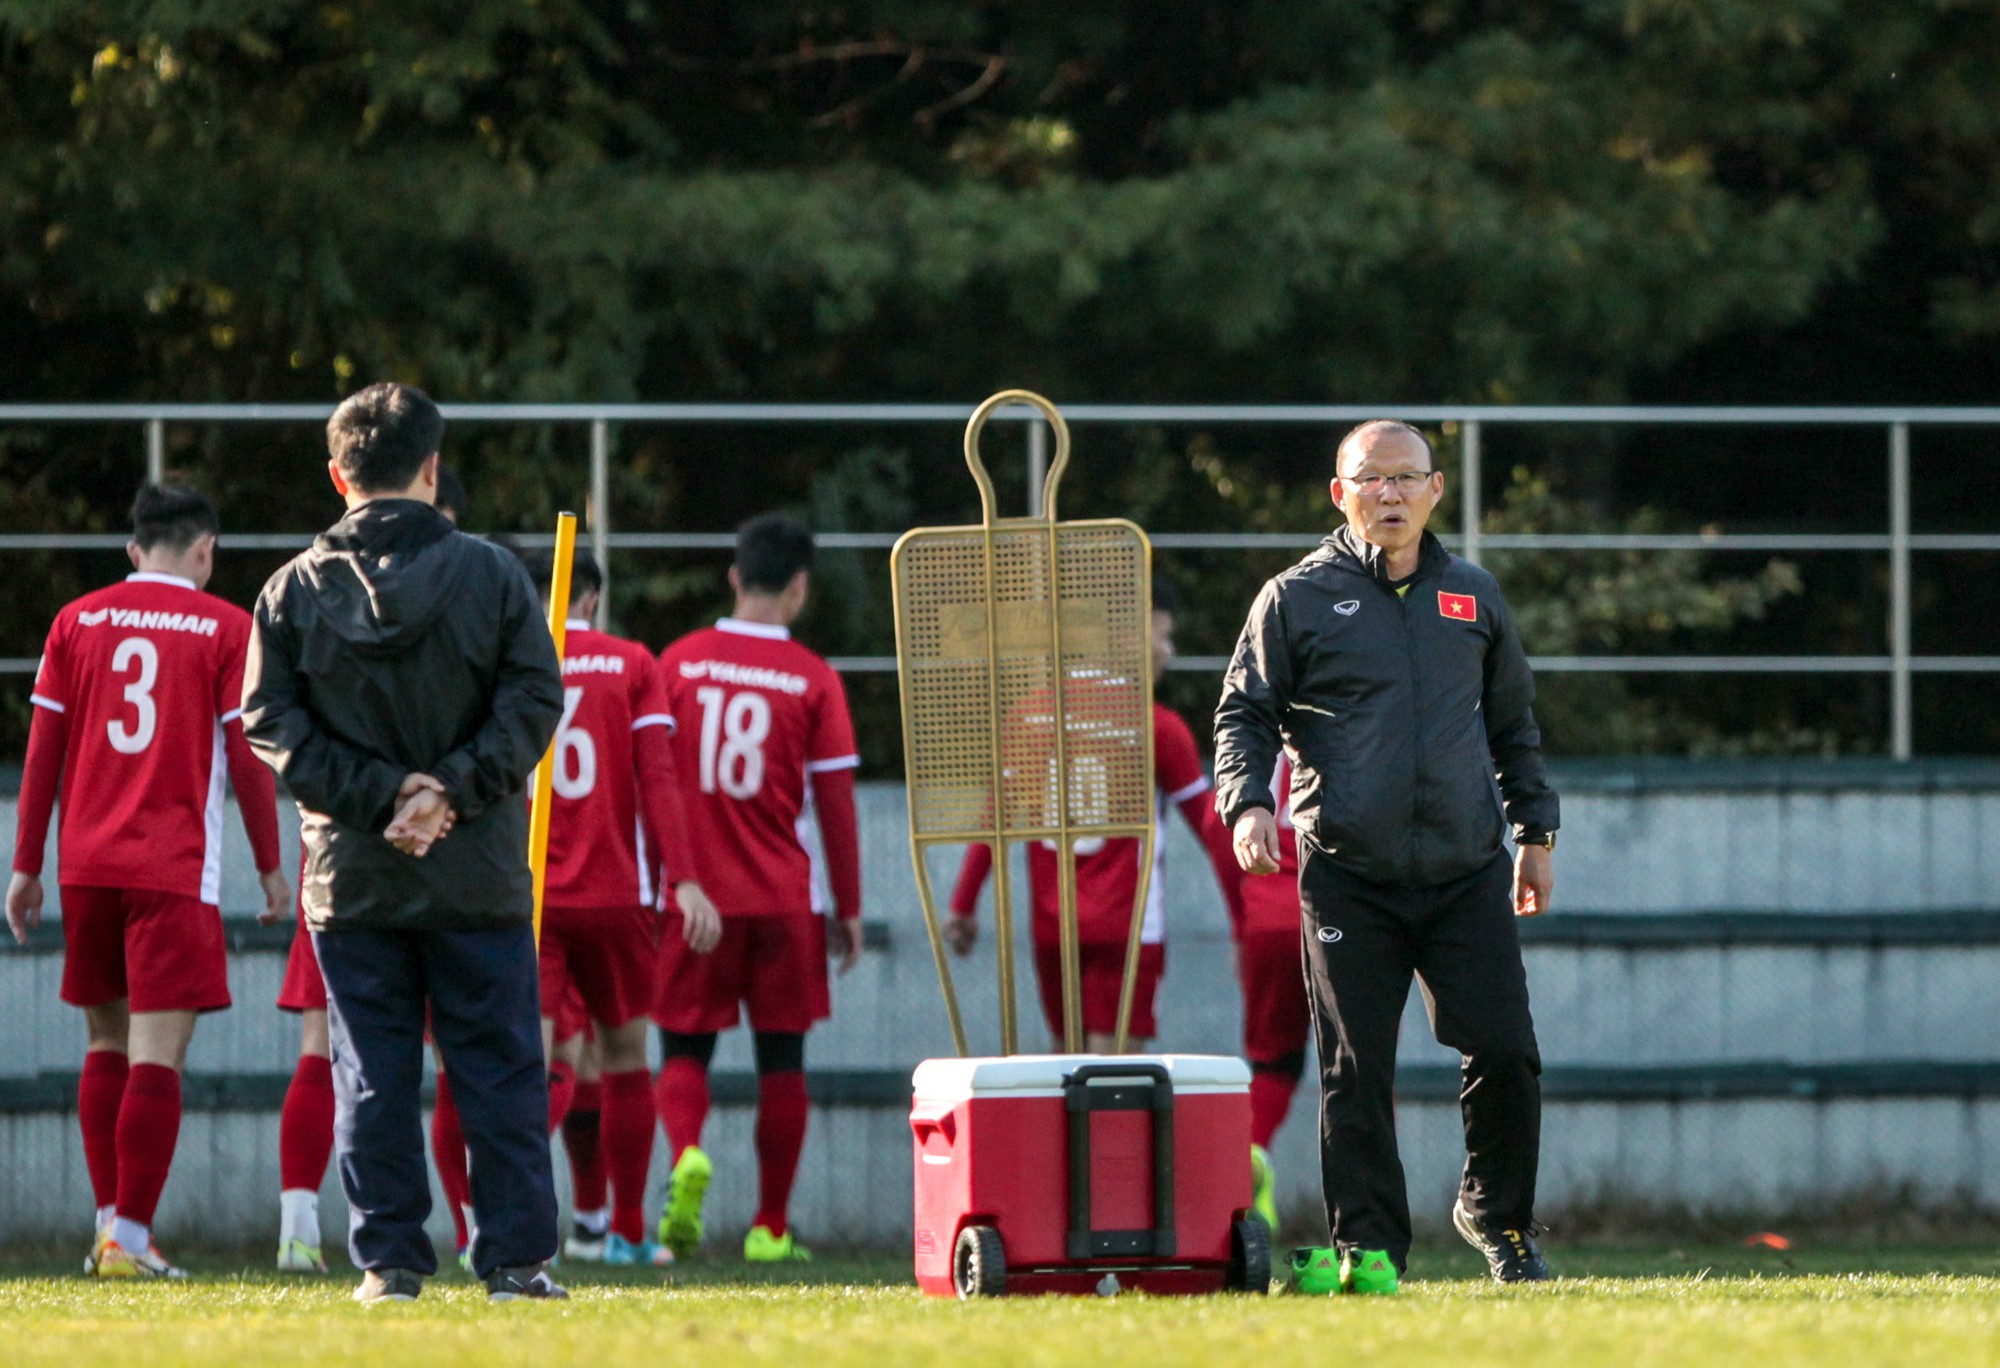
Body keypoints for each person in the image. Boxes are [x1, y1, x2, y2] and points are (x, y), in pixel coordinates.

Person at [1213, 419, 1559, 1295]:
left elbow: (1514, 726)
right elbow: (1243, 713)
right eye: (1373, 480)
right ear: (1342, 494)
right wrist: (1248, 803)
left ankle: (1500, 1218)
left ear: (1437, 489)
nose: (1392, 494)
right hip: (1346, 875)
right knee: (1355, 1068)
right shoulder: (1293, 599)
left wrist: (1536, 837)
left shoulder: (1474, 597)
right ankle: (1369, 1252)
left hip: (1466, 870)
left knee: (1507, 1049)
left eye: (1408, 478)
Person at [242, 382, 567, 1304]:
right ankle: (515, 1262)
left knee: (371, 1071)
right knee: (498, 1071)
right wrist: (447, 791)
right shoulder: (498, 575)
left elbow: (269, 722)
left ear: (338, 475)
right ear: (432, 467)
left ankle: (389, 1263)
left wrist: (383, 795)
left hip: (354, 877)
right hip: (480, 871)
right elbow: (535, 703)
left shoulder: (291, 590)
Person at [5, 483, 288, 1278]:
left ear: (134, 552)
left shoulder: (77, 620)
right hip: (170, 869)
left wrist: (26, 867)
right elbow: (247, 760)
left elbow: (43, 754)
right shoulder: (228, 627)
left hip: (86, 868)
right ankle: (130, 1236)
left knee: (104, 1041)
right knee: (157, 1056)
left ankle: (107, 1228)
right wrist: (272, 865)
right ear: (206, 551)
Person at [271, 460, 468, 1276]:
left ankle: (302, 1224)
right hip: (407, 866)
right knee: (451, 1054)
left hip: (345, 857)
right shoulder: (465, 598)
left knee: (337, 1050)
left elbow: (283, 728)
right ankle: (466, 1234)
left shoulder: (316, 593)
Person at [650, 513, 862, 1264]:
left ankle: (685, 1157)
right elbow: (835, 805)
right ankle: (770, 1227)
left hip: (696, 898)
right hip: (783, 899)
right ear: (799, 587)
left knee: (682, 1047)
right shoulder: (813, 679)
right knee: (783, 1061)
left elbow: (655, 783)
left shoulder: (677, 662)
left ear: (734, 576)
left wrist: (672, 882)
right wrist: (852, 909)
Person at [943, 579, 1243, 1054]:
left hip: (1053, 924)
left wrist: (963, 901)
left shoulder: (1031, 713)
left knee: (1064, 1068)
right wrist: (1244, 921)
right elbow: (1214, 829)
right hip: (1127, 924)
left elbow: (997, 818)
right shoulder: (1156, 726)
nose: (1168, 651)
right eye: (1161, 636)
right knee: (1115, 1078)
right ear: (1126, 636)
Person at [533, 549, 713, 1267]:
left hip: (535, 896)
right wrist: (686, 881)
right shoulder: (634, 662)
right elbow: (659, 777)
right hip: (619, 896)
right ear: (594, 598)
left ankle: (507, 1223)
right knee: (626, 1058)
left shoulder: (509, 659)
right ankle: (629, 1232)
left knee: (532, 1063)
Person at [1233, 752, 1312, 1235]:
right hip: (1340, 908)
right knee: (1363, 1059)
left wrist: (1243, 916)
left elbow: (1215, 818)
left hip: (1267, 915)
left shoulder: (1254, 725)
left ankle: (1253, 1159)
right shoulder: (1357, 701)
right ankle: (1371, 1212)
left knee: (1272, 1058)